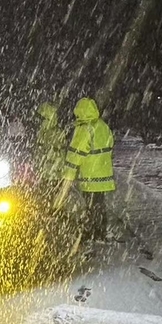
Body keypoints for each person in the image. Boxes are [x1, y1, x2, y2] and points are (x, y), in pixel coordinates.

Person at [59, 97, 116, 240]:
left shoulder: (84, 129)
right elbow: (110, 145)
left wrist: (68, 175)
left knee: (90, 205)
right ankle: (100, 231)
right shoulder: (103, 126)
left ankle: (91, 232)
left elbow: (75, 154)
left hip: (90, 176)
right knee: (99, 204)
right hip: (103, 175)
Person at [34, 102, 68, 204]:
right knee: (55, 196)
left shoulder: (45, 131)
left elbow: (42, 149)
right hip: (54, 171)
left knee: (49, 196)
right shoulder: (55, 131)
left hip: (50, 171)